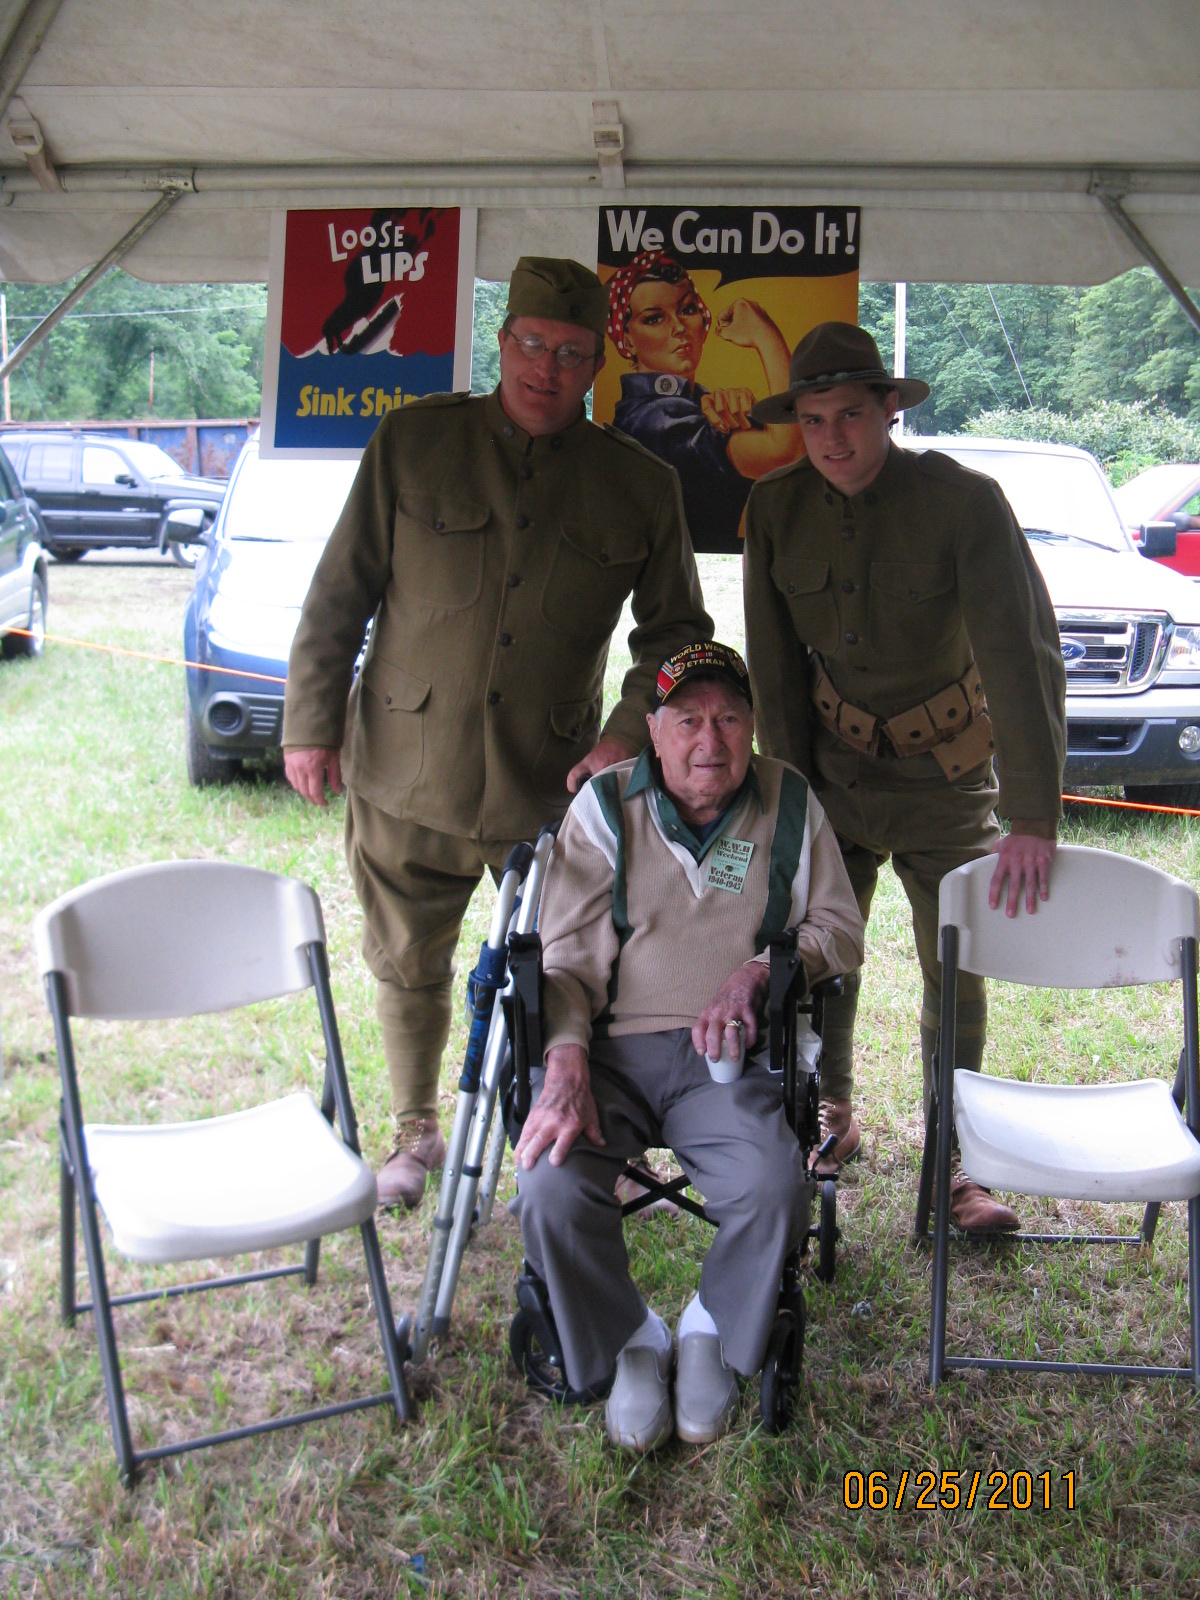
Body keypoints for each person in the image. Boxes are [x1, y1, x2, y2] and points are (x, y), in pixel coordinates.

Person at [282, 256, 713, 1209]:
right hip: (406, 766)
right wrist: (309, 724)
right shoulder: (414, 444)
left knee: (557, 967)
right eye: (529, 344)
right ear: (503, 342)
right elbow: (340, 592)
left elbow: (680, 634)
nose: (545, 368)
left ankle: (548, 1129)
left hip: (546, 784)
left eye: (569, 353)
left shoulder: (639, 484)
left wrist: (626, 735)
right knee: (407, 958)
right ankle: (413, 1131)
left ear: (597, 365)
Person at [742, 322, 1066, 1232]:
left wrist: (1034, 814)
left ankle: (956, 1157)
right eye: (812, 420)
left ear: (889, 409)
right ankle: (826, 1116)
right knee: (818, 955)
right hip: (832, 772)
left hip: (946, 774)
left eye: (850, 414)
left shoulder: (963, 503)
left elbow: (1023, 655)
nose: (832, 438)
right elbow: (773, 672)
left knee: (952, 966)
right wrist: (790, 803)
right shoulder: (775, 511)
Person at [512, 642, 864, 1451]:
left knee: (775, 1188)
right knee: (549, 1188)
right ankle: (632, 1339)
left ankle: (710, 1329)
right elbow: (561, 961)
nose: (712, 740)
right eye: (690, 720)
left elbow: (840, 928)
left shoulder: (790, 802)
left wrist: (760, 972)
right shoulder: (603, 808)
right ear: (654, 731)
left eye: (731, 718)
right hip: (610, 1054)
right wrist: (563, 1056)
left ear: (753, 728)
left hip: (729, 1059)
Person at [606, 252, 805, 554]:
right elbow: (786, 453)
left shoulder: (694, 402)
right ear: (628, 340)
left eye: (686, 309)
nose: (678, 327)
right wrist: (766, 336)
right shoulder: (653, 420)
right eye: (654, 318)